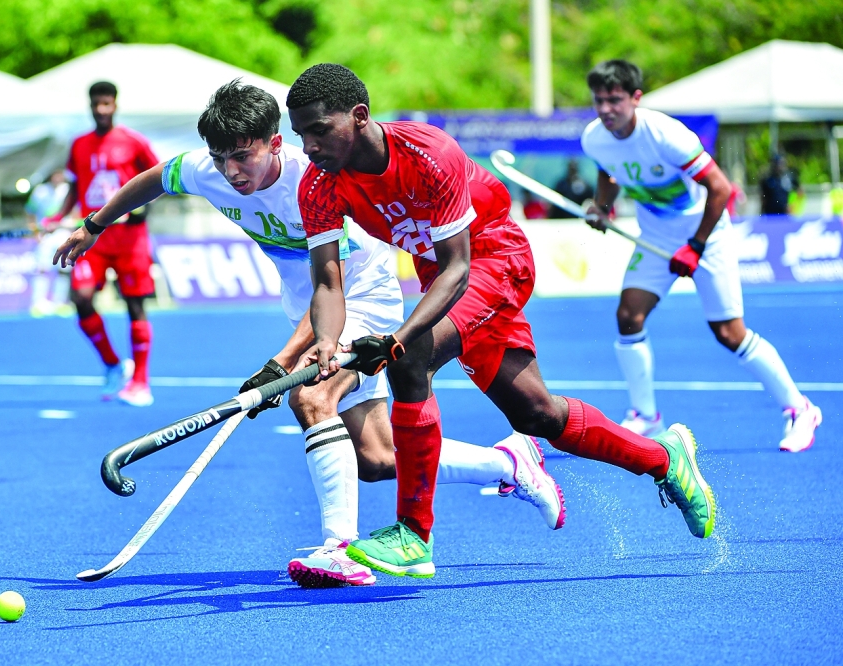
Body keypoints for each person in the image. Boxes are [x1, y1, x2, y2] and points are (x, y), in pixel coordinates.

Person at [54, 80, 565, 588]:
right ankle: (508, 463)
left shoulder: (310, 182)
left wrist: (281, 364)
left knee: (312, 396)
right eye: (220, 158)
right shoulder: (209, 170)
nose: (231, 172)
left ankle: (339, 547)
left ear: (275, 143)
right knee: (376, 458)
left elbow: (331, 287)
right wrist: (94, 226)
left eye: (242, 156)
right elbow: (155, 179)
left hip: (362, 297)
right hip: (309, 310)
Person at [289, 63, 717, 581]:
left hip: (492, 260)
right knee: (537, 416)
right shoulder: (318, 186)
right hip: (442, 276)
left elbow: (459, 267)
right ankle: (665, 460)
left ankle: (413, 534)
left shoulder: (428, 153)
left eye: (318, 130)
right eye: (301, 135)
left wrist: (400, 340)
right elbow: (329, 285)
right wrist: (328, 341)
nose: (308, 147)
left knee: (410, 361)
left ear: (358, 117)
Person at [580, 60, 820, 452]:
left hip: (706, 233)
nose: (606, 109)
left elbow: (721, 189)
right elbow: (609, 173)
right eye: (599, 100)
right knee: (628, 316)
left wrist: (695, 246)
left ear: (636, 98)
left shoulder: (667, 134)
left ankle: (799, 409)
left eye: (615, 100)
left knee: (729, 333)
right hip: (656, 233)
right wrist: (602, 207)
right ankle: (645, 416)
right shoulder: (594, 138)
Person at [49, 81, 160, 406]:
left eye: (107, 103)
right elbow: (76, 187)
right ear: (90, 105)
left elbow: (159, 178)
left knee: (135, 304)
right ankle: (113, 365)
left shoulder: (134, 142)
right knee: (80, 298)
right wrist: (58, 217)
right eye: (96, 104)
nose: (101, 109)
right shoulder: (79, 145)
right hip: (91, 237)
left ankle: (140, 381)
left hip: (130, 239)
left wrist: (140, 212)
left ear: (115, 105)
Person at [25, 169, 72, 316]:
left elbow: (76, 210)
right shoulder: (40, 191)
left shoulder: (68, 190)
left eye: (60, 174)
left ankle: (60, 301)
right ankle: (38, 302)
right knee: (42, 267)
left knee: (64, 268)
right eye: (55, 174)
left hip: (64, 232)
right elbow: (30, 212)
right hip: (44, 234)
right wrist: (35, 232)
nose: (58, 177)